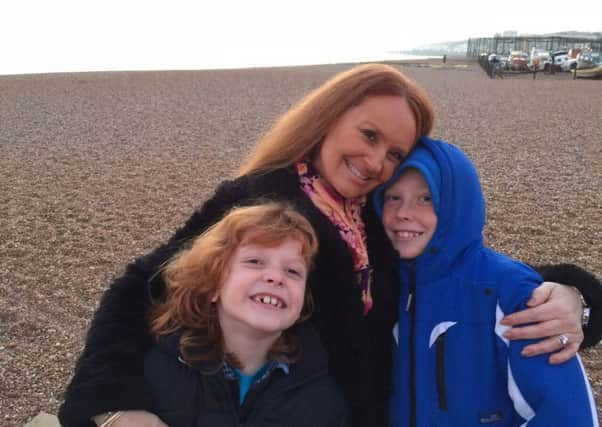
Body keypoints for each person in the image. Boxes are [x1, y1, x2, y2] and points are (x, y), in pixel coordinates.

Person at [59, 63, 601, 427]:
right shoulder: (258, 197)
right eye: (368, 136)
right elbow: (144, 284)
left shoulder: (372, 214)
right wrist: (111, 404)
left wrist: (575, 295)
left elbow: (454, 267)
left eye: (394, 154)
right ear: (329, 118)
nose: (375, 163)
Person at [373, 137, 600, 426]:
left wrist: (577, 296)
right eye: (393, 197)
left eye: (426, 198)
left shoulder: (512, 295)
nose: (404, 212)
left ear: (457, 203)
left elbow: (569, 415)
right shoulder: (379, 286)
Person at [137, 202, 349, 427]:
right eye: (255, 262)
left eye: (292, 271)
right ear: (212, 285)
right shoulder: (154, 372)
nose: (276, 277)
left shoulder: (322, 402)